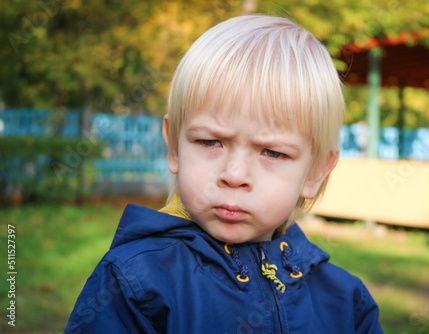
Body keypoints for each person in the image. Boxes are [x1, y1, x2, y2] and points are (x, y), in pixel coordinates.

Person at [65, 15, 383, 333]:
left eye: (273, 152)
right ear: (174, 147)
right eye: (210, 141)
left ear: (316, 171)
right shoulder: (135, 283)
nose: (233, 174)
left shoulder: (346, 304)